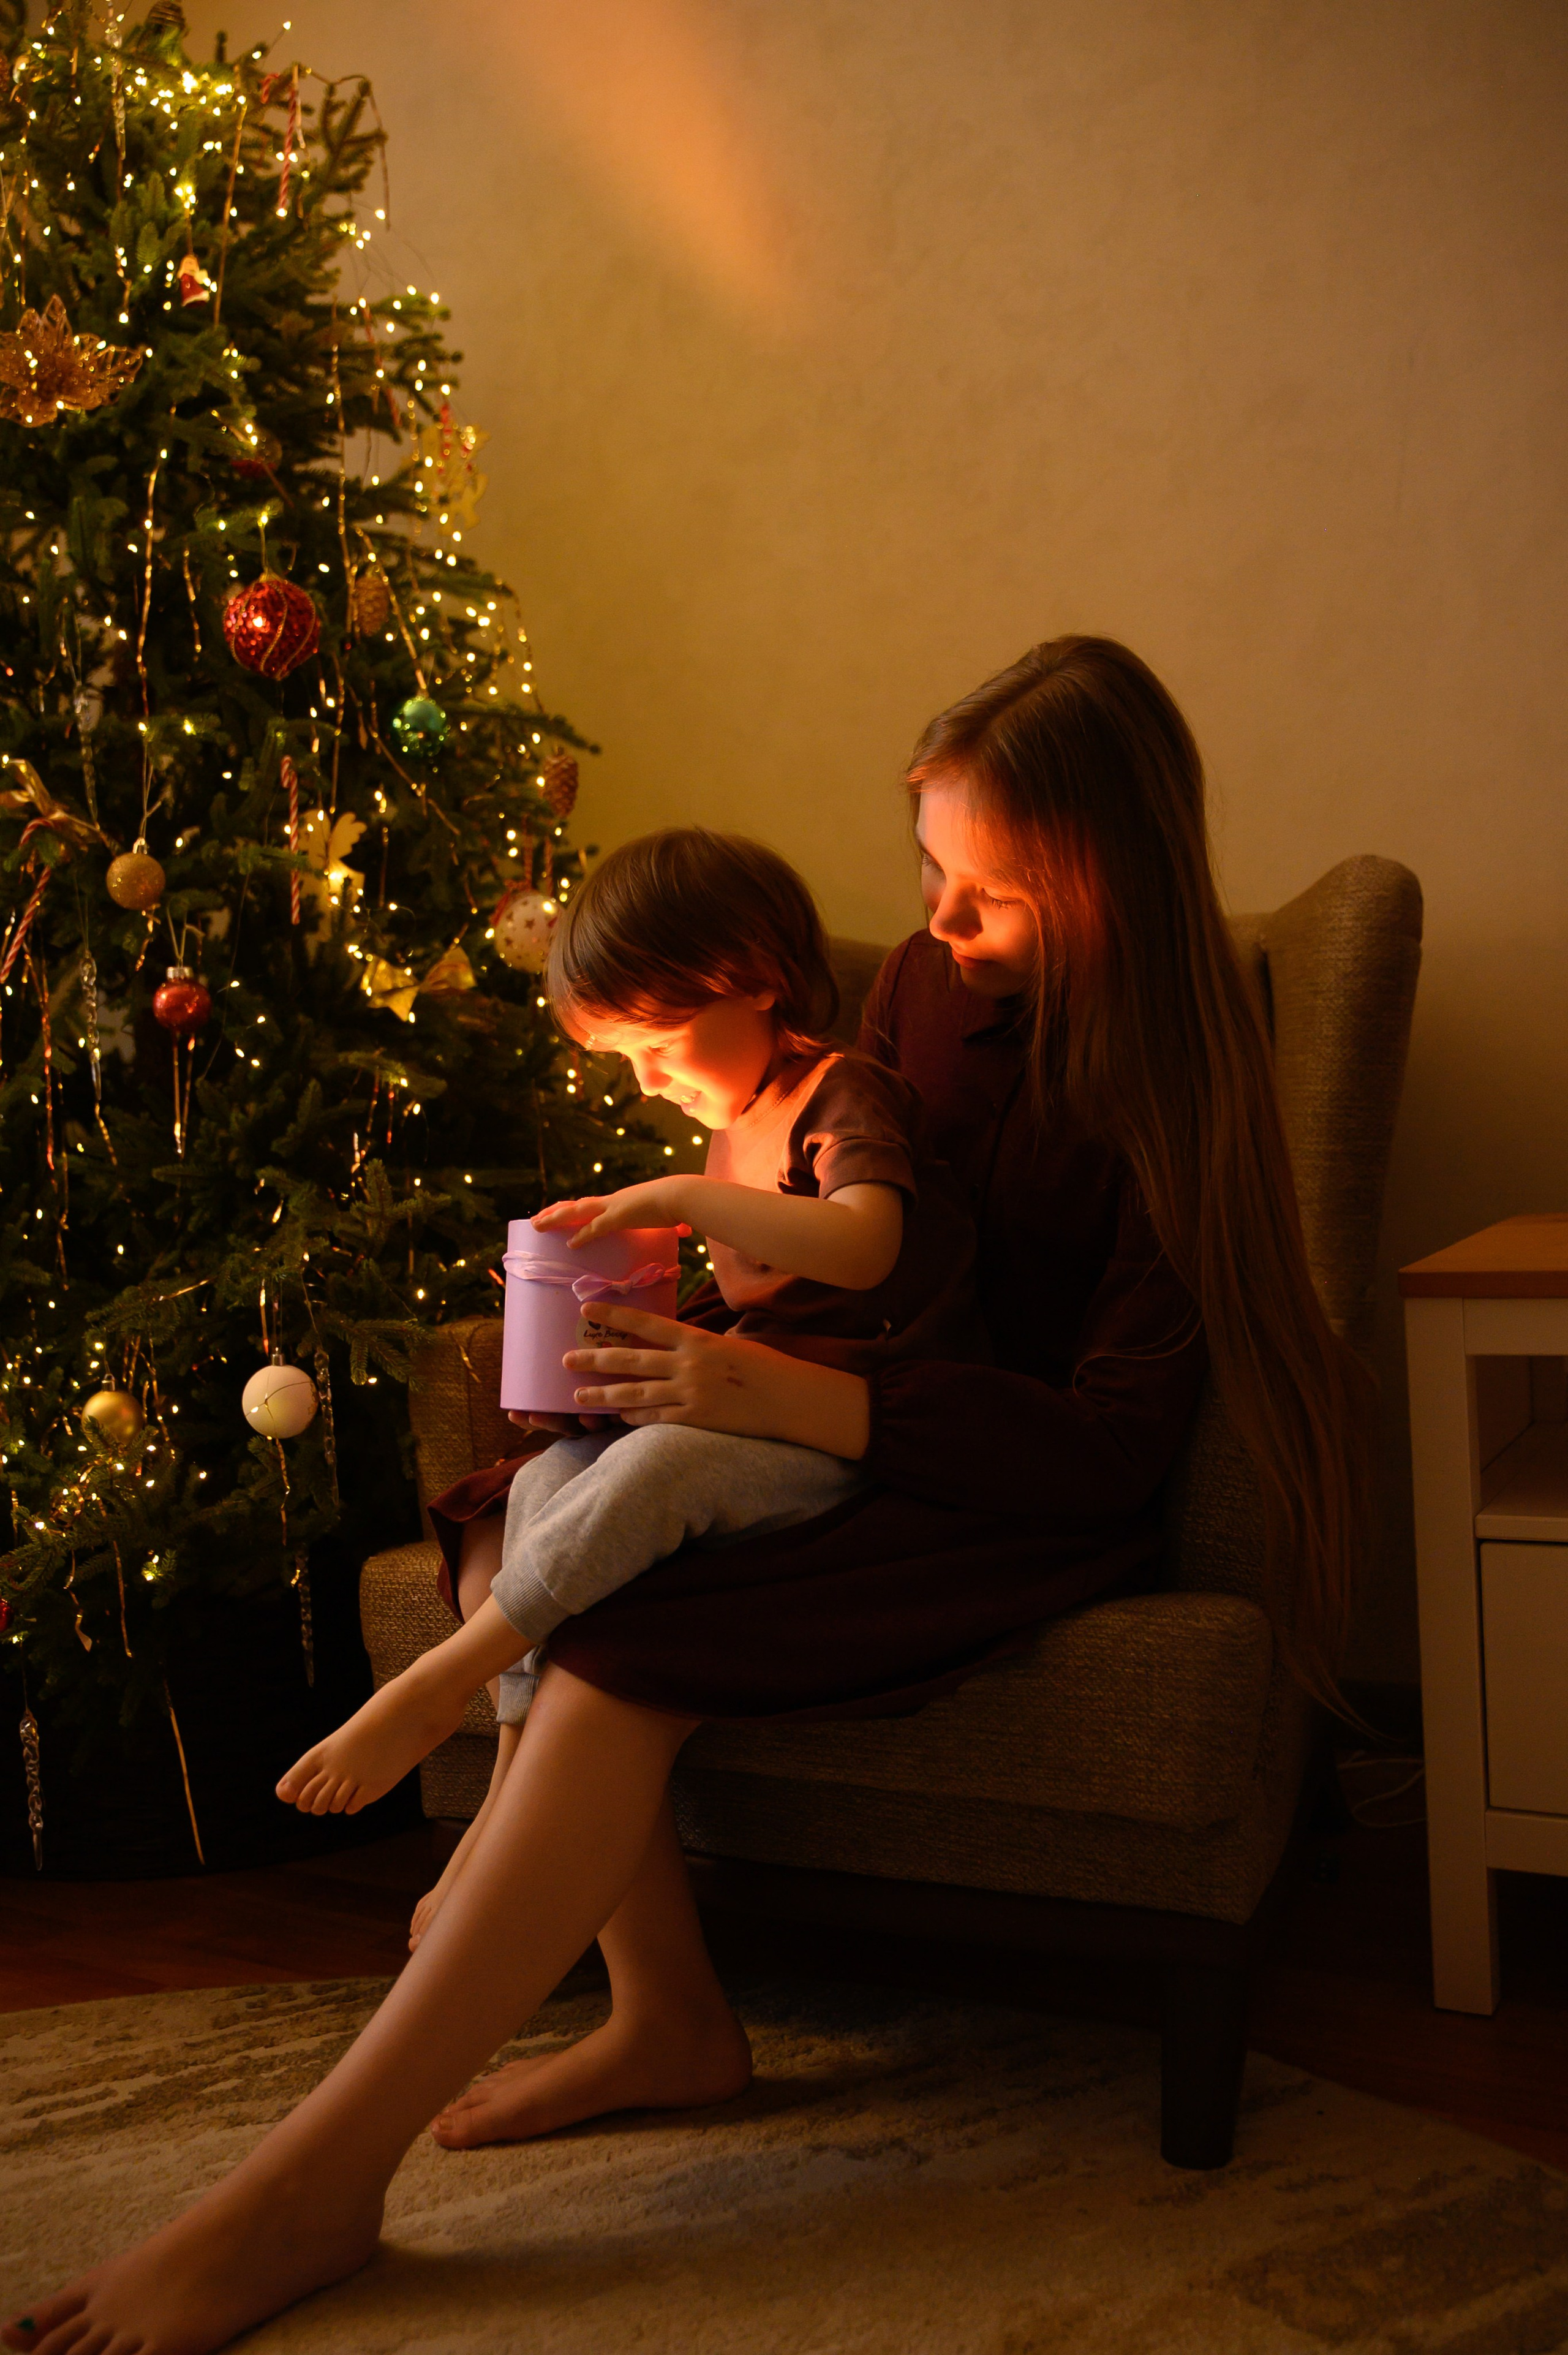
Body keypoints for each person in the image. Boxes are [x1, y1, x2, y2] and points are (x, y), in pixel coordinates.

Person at [4, 636, 1364, 2355]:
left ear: (1110, 879)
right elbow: (836, 1229)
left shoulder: (1185, 1082)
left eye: (988, 895)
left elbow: (1101, 1441)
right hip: (837, 1422)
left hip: (1000, 1485)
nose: (936, 930)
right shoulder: (930, 1004)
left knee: (621, 1629)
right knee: (513, 1504)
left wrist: (784, 1392)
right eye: (933, 876)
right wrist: (687, 1317)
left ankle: (313, 2186)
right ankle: (665, 2012)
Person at [274, 828, 986, 1859]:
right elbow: (743, 1315)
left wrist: (686, 1201)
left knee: (660, 1466)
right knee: (536, 1484)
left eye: (657, 1045)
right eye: (623, 1059)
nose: (648, 1082)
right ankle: (510, 1780)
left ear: (755, 980)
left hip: (867, 1429)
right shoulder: (728, 1122)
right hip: (761, 1408)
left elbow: (866, 1249)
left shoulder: (842, 1091)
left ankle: (446, 1681)